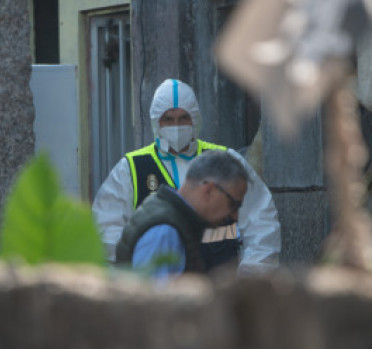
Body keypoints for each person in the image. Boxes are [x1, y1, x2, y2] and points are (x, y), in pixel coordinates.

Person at [93, 78, 281, 274]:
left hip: (222, 285)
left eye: (184, 118)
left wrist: (249, 280)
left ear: (196, 120)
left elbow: (262, 223)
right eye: (168, 119)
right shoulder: (130, 168)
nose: (176, 125)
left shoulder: (226, 161)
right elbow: (106, 234)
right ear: (156, 122)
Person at [116, 150, 249, 278]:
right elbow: (153, 298)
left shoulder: (172, 218)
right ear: (209, 191)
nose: (235, 216)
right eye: (233, 205)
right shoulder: (165, 232)